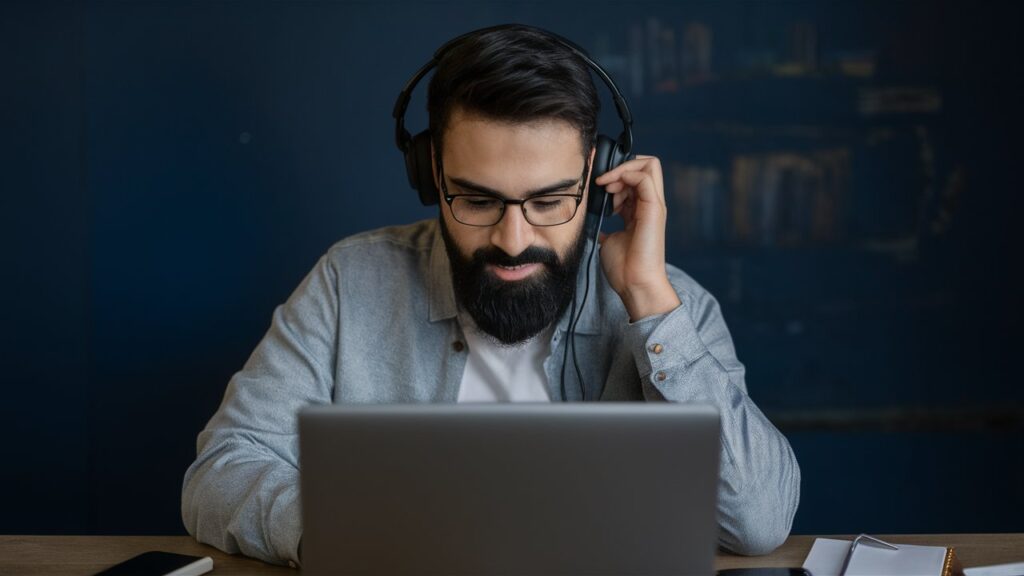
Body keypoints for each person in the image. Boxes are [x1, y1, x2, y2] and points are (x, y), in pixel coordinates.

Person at [181, 24, 800, 567]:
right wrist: (357, 542)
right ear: (430, 175)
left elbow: (759, 520)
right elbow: (220, 473)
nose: (512, 240)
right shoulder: (350, 282)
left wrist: (648, 298)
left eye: (550, 202)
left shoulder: (668, 306)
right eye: (476, 200)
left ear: (599, 175)